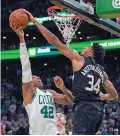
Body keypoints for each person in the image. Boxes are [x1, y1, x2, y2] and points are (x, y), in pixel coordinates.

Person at [24, 9, 118, 135]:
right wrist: (103, 96)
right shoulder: (102, 72)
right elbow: (114, 95)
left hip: (84, 109)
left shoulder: (78, 59)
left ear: (90, 54)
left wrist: (36, 22)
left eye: (87, 47)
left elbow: (54, 41)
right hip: (99, 111)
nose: (84, 48)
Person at [10, 23, 74, 135]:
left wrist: (63, 88)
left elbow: (71, 101)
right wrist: (22, 39)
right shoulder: (29, 92)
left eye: (38, 76)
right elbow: (25, 65)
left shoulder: (51, 93)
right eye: (34, 77)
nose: (38, 77)